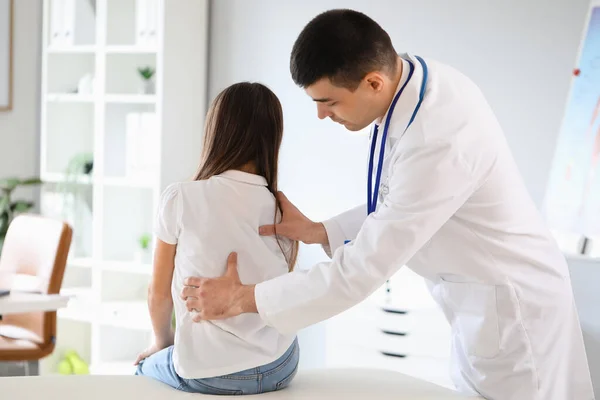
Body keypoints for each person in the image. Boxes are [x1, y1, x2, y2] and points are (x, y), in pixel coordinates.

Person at [181, 9, 595, 400]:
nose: (322, 116)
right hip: (483, 303)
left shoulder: (438, 136)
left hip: (520, 322)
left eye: (329, 102)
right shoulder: (407, 83)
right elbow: (401, 199)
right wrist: (319, 231)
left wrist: (242, 298)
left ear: (373, 83)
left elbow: (361, 271)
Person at [134, 82, 300, 395]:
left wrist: (161, 343)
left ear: (216, 131)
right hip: (280, 365)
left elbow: (158, 294)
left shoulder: (181, 198)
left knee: (142, 369)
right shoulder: (283, 211)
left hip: (208, 372)